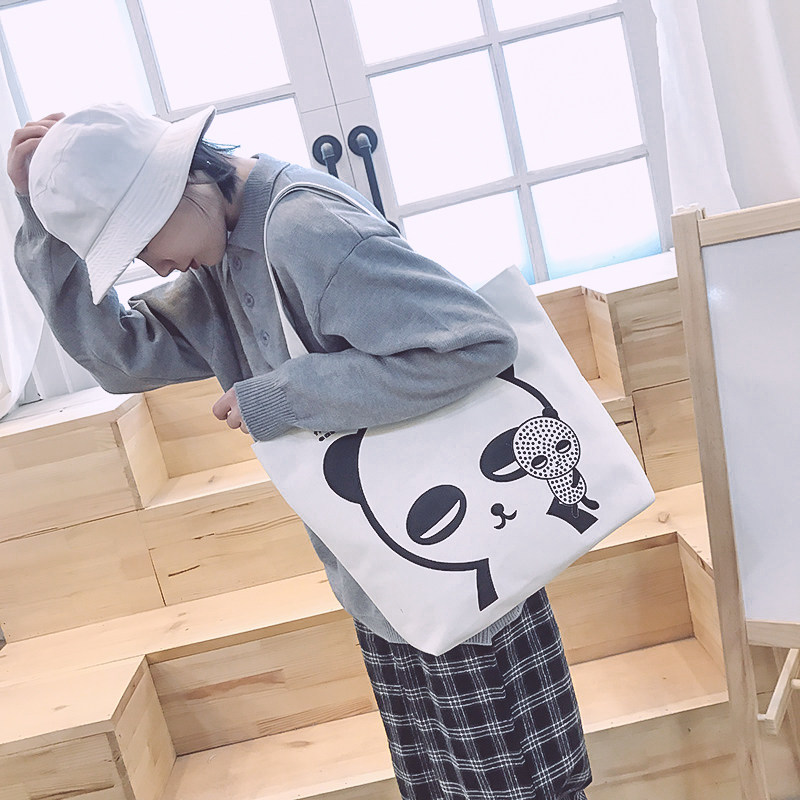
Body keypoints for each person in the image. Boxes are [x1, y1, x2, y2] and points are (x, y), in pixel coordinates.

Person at [8, 102, 593, 800]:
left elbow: (476, 342)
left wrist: (282, 397)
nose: (150, 264)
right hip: (391, 578)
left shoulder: (303, 228)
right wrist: (40, 219)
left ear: (179, 181)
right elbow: (121, 357)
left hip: (461, 569)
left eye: (141, 239)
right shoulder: (224, 251)